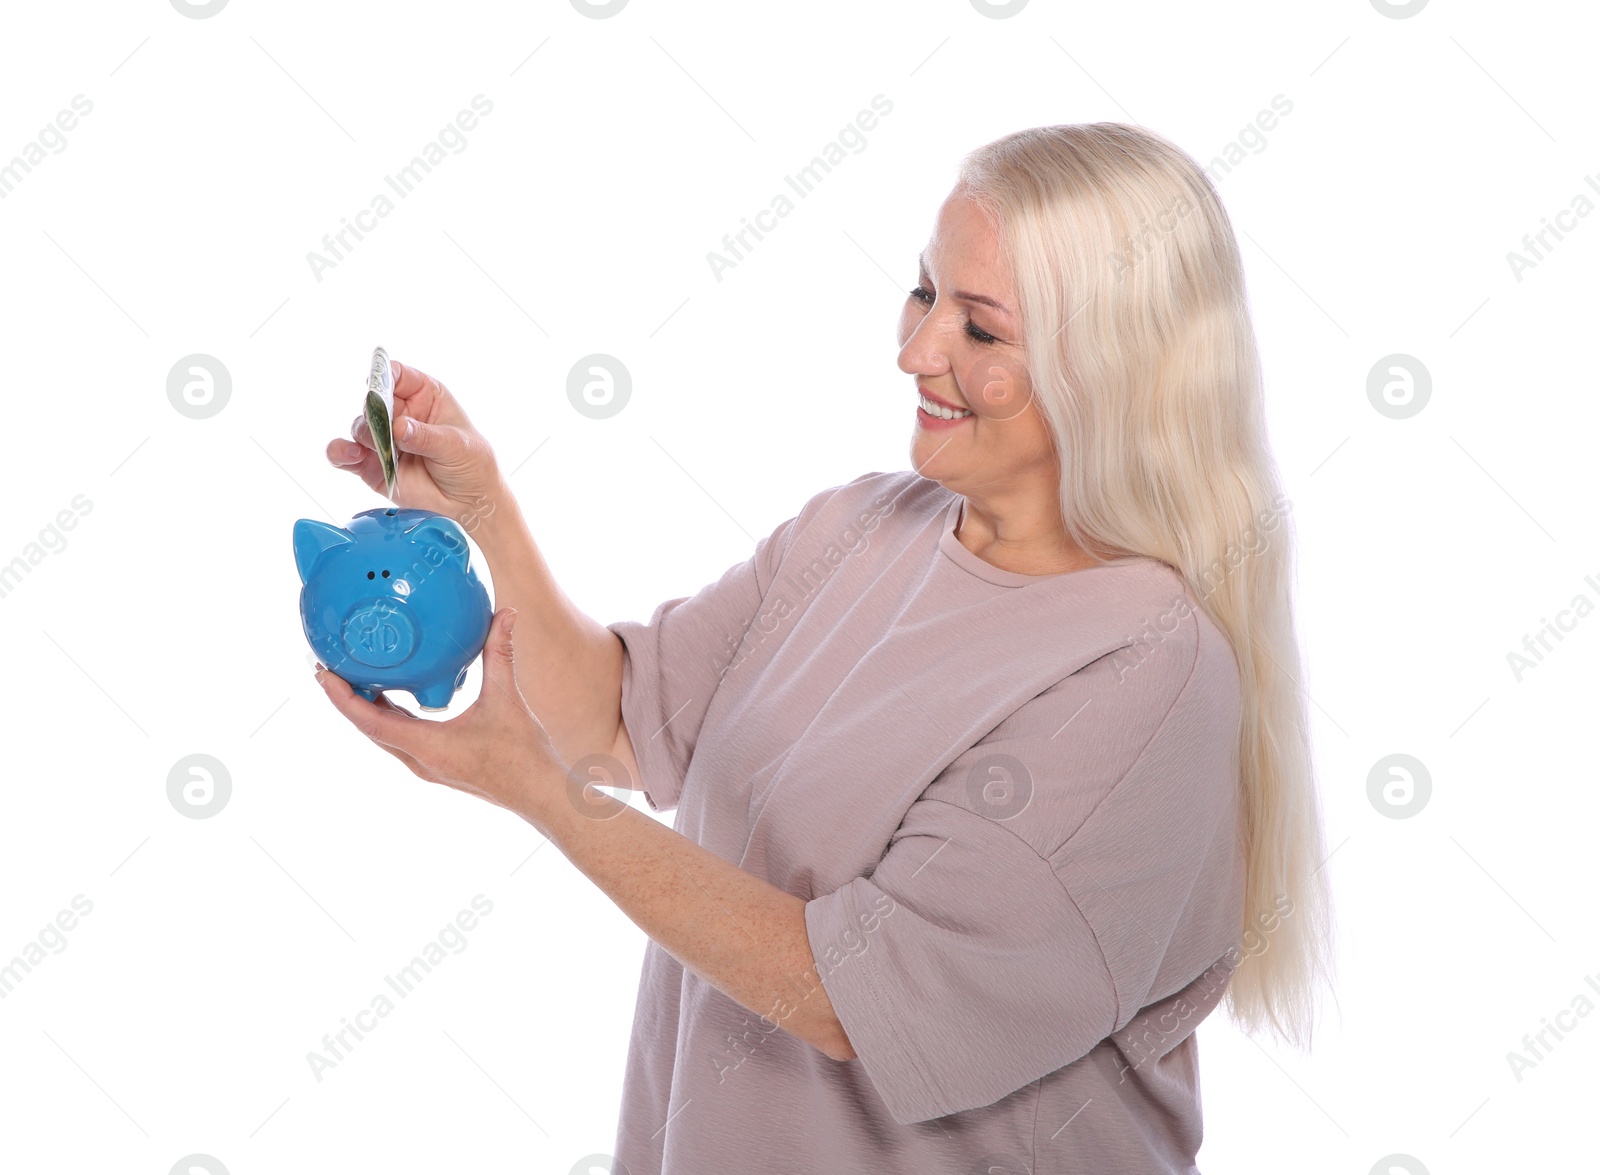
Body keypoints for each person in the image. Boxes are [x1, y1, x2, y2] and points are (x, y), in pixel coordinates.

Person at [320, 121, 1335, 1174]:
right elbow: (621, 718)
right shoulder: (859, 527)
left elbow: (862, 993)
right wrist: (484, 512)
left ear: (1114, 371)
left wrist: (538, 793)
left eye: (980, 330)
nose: (915, 351)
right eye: (924, 292)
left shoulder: (1143, 668)